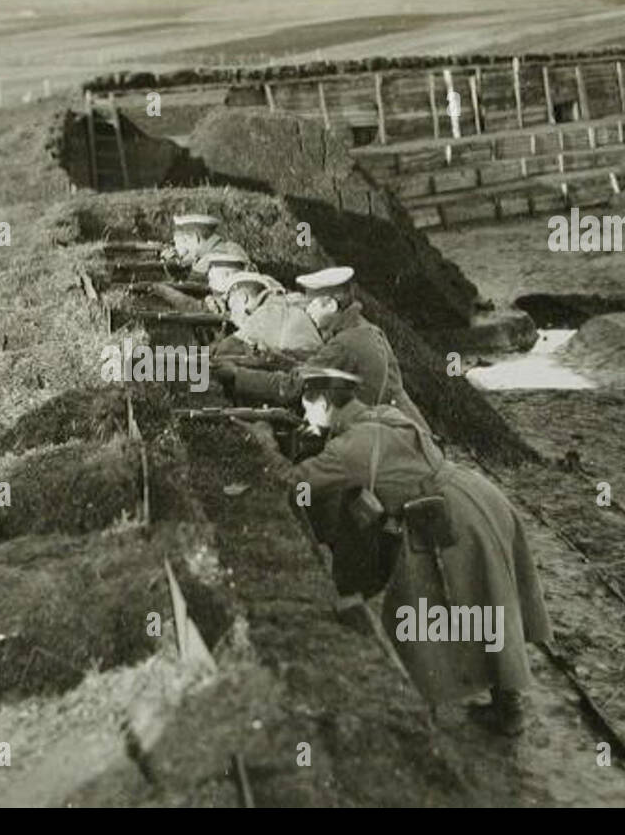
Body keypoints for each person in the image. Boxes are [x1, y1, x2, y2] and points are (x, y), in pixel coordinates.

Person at [232, 366, 553, 736]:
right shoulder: (384, 416)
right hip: (477, 495)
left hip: (450, 516)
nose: (304, 415)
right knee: (489, 594)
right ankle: (506, 703)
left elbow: (293, 483)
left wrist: (263, 442)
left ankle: (448, 709)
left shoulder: (349, 448)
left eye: (307, 406)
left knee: (447, 599)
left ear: (322, 402)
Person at [212, 266, 428, 430]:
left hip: (377, 438)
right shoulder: (365, 329)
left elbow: (291, 388)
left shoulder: (344, 343)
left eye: (313, 304)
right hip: (405, 428)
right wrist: (277, 360)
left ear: (331, 305)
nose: (308, 310)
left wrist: (237, 375)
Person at [162, 213, 249, 273]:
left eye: (185, 240)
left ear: (196, 238)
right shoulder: (232, 247)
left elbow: (191, 282)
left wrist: (170, 266)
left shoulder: (211, 258)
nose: (183, 246)